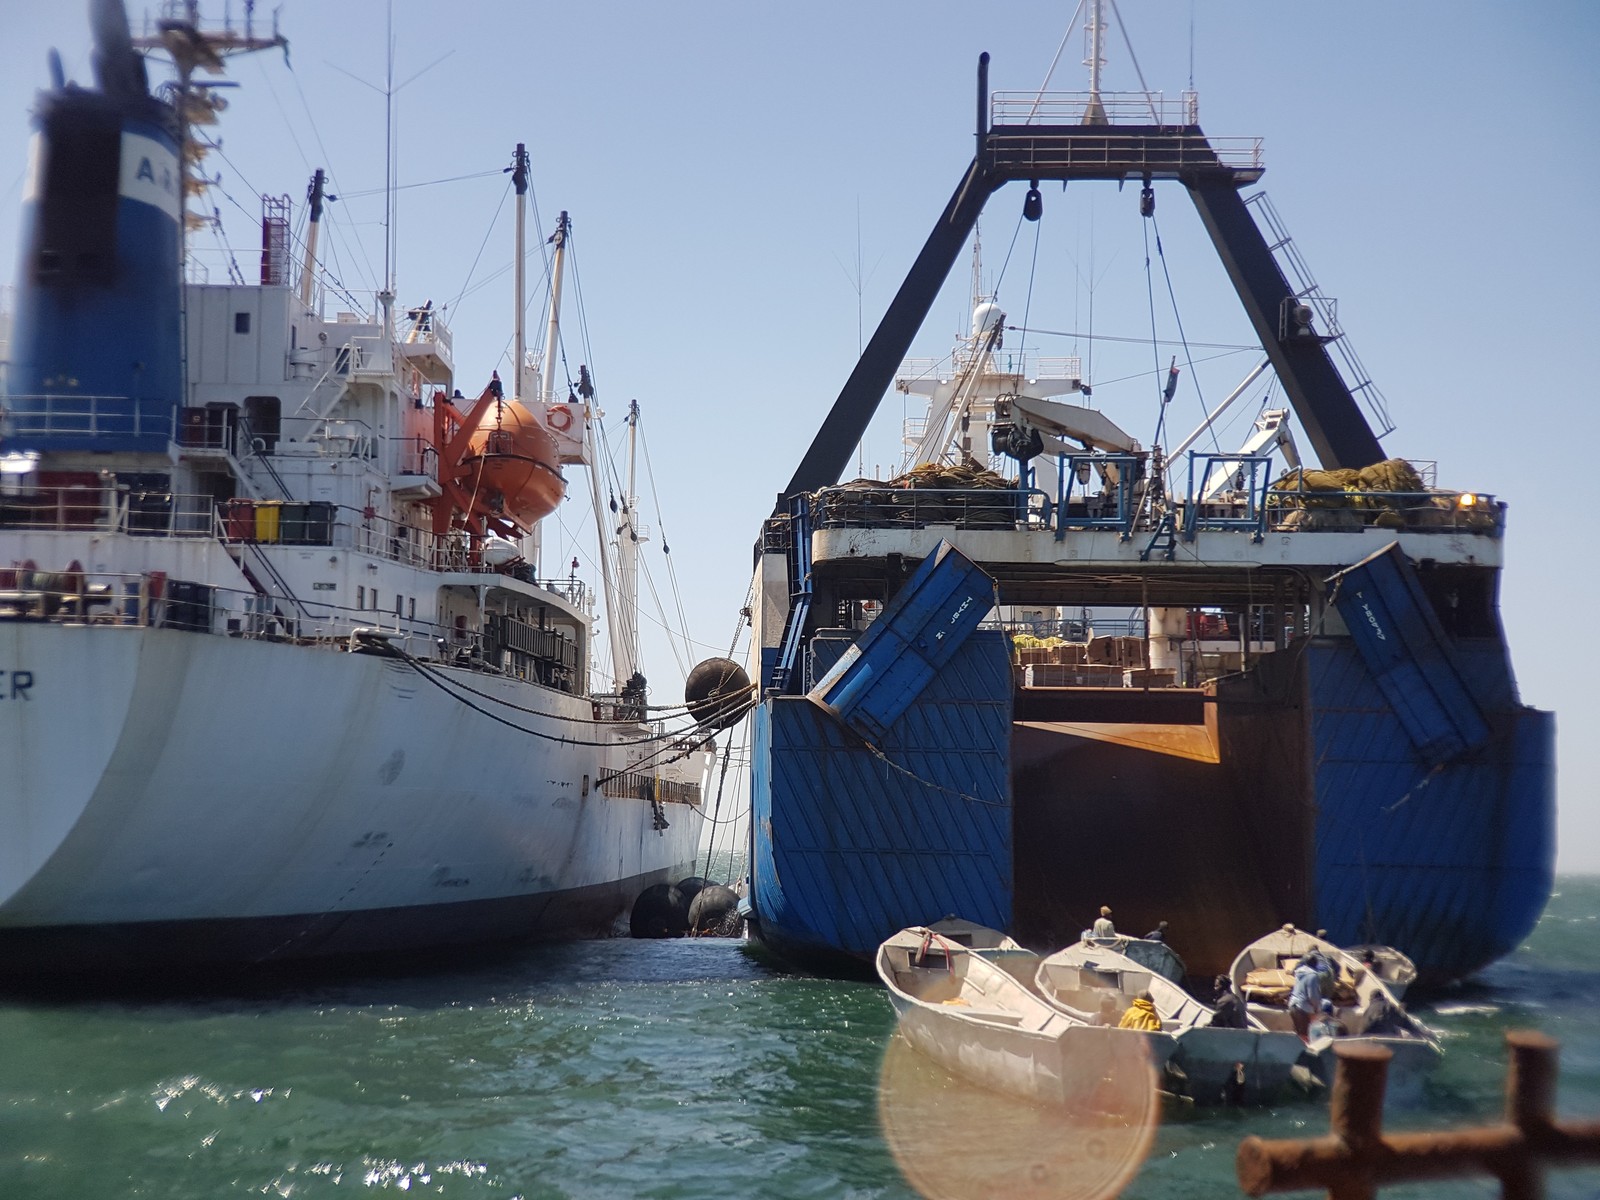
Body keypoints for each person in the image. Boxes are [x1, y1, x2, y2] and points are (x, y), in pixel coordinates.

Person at [1288, 953, 1323, 1041]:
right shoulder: (1313, 975)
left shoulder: (1299, 972)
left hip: (1292, 1005)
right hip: (1302, 1009)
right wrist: (1316, 1010)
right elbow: (1312, 996)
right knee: (1305, 1036)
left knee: (1298, 1034)